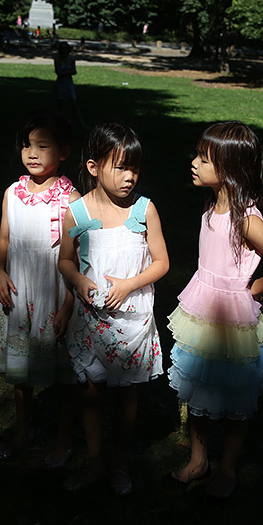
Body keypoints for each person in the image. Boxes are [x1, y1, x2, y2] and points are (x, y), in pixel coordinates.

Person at [167, 121, 263, 498]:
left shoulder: (246, 220)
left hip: (231, 322)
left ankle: (227, 469)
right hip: (202, 313)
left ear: (228, 170)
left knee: (237, 396)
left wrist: (250, 290)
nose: (193, 162)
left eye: (203, 158)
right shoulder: (213, 206)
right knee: (196, 384)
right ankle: (199, 459)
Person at [58, 123, 170, 495]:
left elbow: (161, 262)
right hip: (91, 318)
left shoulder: (144, 209)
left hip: (132, 319)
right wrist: (79, 281)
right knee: (91, 391)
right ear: (93, 167)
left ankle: (118, 462)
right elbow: (65, 261)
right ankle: (93, 461)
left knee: (125, 393)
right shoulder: (76, 211)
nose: (129, 177)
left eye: (134, 168)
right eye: (120, 167)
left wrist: (129, 285)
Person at [0, 112, 81, 468]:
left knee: (65, 373)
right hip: (19, 294)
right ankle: (22, 428)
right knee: (20, 369)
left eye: (43, 145)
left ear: (64, 152)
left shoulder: (72, 199)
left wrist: (69, 304)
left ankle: (63, 437)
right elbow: (4, 238)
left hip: (55, 295)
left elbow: (80, 257)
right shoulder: (13, 192)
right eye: (27, 145)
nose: (32, 152)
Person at [54, 42, 84, 127]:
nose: (64, 50)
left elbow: (74, 71)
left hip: (69, 82)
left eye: (66, 48)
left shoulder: (71, 59)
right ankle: (57, 123)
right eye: (62, 48)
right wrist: (67, 72)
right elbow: (58, 72)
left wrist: (65, 72)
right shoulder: (57, 59)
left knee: (73, 103)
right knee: (60, 104)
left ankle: (81, 123)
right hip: (61, 82)